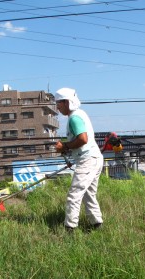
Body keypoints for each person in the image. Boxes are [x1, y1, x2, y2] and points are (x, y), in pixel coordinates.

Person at [54, 87, 104, 232]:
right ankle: (97, 224)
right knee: (88, 194)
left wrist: (64, 146)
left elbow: (82, 139)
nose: (57, 107)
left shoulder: (74, 117)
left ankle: (69, 228)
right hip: (94, 158)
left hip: (88, 160)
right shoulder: (79, 114)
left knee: (74, 194)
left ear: (67, 102)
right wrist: (67, 147)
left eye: (59, 103)